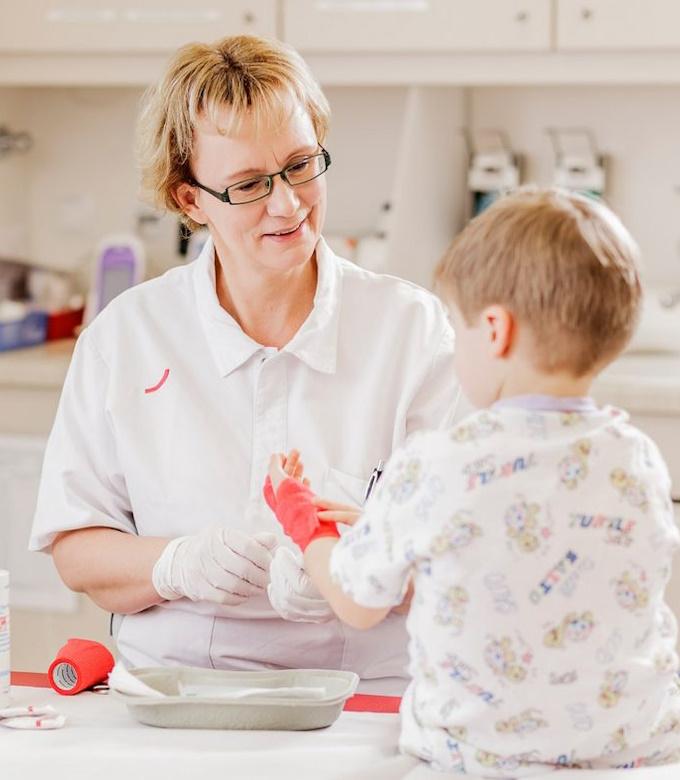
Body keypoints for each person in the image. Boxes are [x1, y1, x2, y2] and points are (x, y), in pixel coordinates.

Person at [28, 35, 458, 695]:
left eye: (301, 165)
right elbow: (77, 549)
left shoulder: (409, 329)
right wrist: (175, 565)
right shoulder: (127, 337)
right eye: (250, 184)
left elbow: (457, 547)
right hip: (173, 689)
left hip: (366, 691)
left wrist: (352, 570)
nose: (287, 204)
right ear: (190, 200)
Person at [266, 188, 680, 774]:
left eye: (457, 331)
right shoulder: (637, 459)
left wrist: (304, 524)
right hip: (634, 754)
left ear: (494, 330)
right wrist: (393, 532)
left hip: (481, 759)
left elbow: (357, 602)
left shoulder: (438, 463)